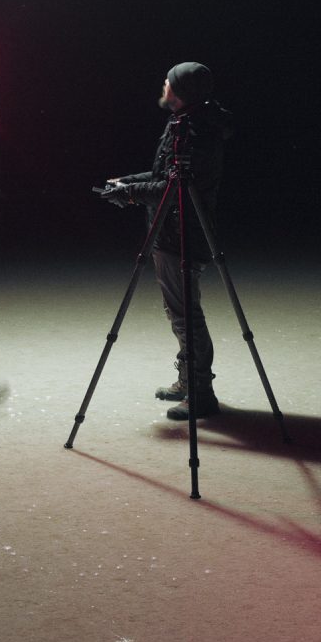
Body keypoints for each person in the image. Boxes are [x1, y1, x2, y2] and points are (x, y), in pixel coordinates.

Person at [103, 62, 232, 420]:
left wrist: (130, 194)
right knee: (179, 313)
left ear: (182, 90)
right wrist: (125, 182)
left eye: (169, 82)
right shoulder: (183, 124)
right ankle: (190, 381)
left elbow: (175, 188)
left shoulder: (197, 132)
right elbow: (164, 176)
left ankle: (201, 393)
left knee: (186, 316)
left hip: (184, 234)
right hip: (170, 231)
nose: (163, 85)